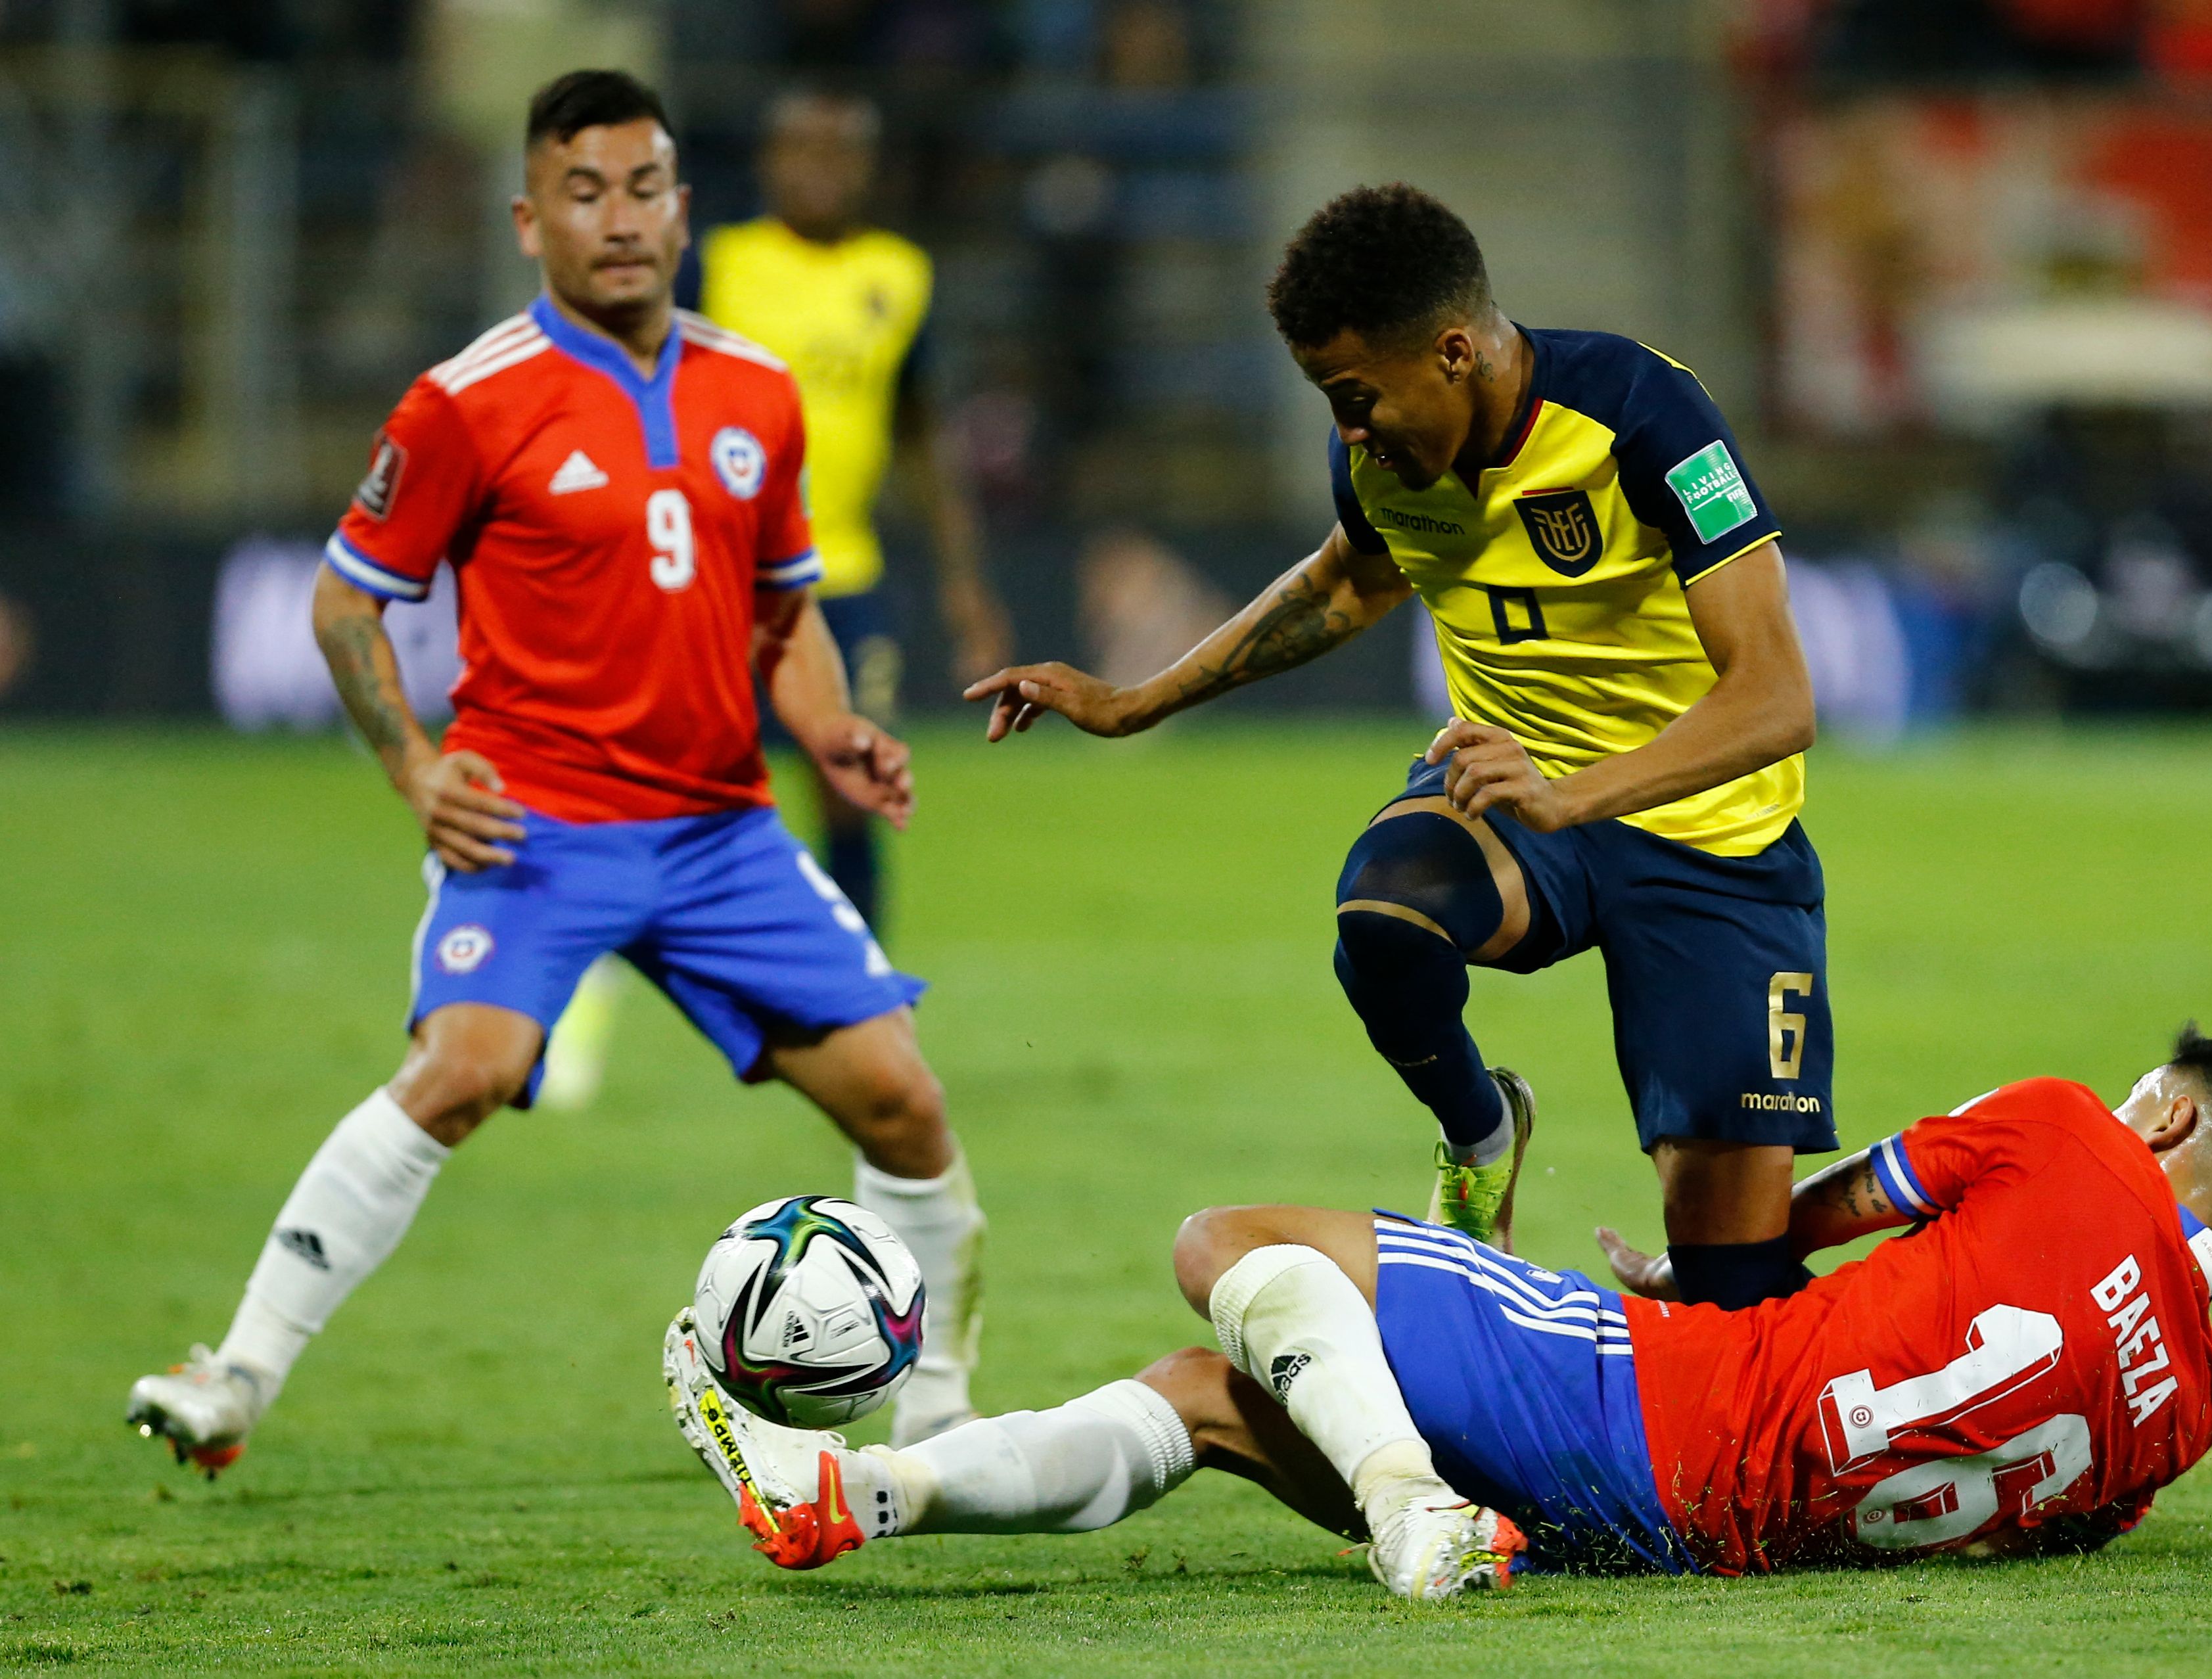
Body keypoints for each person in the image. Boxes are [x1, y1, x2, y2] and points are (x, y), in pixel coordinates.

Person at [124, 70, 987, 1475]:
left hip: (719, 829)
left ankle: (943, 1407)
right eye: (583, 194)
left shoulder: (753, 393)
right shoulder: (466, 403)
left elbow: (784, 611)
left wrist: (827, 726)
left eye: (643, 188)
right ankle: (235, 1372)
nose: (619, 220)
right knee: (464, 1066)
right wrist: (413, 765)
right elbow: (348, 603)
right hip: (539, 821)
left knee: (905, 1099)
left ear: (682, 208)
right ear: (531, 220)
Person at [966, 185, 1826, 1308]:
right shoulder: (1378, 458)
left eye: (1357, 396)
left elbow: (1775, 697)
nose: (1348, 430)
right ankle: (1478, 1141)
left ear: (1455, 352)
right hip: (1518, 808)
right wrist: (1135, 703)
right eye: (1331, 402)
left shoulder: (1643, 413)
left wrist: (1574, 796)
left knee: (1733, 1290)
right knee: (1386, 911)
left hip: (1709, 840)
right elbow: (1342, 582)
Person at [664, 1026, 2212, 1599]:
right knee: (1209, 1393)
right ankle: (859, 1493)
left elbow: (1824, 1205)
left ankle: (1412, 1515)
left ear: (2173, 1122)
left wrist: (1698, 1282)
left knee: (1227, 1240)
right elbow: (2003, 1541)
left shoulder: (2063, 1130)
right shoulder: (2187, 1422)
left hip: (1660, 1404)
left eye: (2149, 1093)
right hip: (1714, 1546)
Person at [701, 86, 1011, 929]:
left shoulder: (897, 277)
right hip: (720, 581)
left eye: (841, 153)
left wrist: (963, 586)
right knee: (691, 800)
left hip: (845, 573)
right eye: (803, 150)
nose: (822, 171)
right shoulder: (717, 265)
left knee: (852, 787)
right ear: (769, 161)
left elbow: (920, 435)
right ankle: (611, 991)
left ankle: (856, 997)